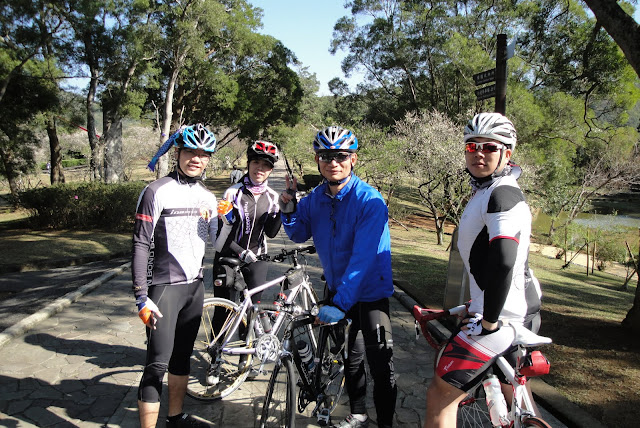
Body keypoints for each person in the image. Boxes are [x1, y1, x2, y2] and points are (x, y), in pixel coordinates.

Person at [279, 126, 397, 428]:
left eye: (341, 156)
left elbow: (364, 258)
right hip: (337, 291)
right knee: (350, 357)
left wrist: (340, 303)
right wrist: (289, 209)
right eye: (325, 156)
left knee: (380, 365)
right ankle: (358, 413)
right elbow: (298, 233)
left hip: (369, 294)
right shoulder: (315, 198)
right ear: (317, 160)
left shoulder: (369, 200)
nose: (333, 162)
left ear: (353, 159)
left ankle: (385, 424)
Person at [423, 112, 532, 427]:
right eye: (472, 147)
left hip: (500, 317)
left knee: (440, 397)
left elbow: (504, 260)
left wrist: (488, 321)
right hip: (513, 308)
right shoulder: (488, 190)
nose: (479, 154)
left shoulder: (502, 194)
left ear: (507, 153)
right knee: (516, 403)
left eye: (489, 147)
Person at [132, 124, 218, 428]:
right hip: (163, 290)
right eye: (191, 152)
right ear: (177, 153)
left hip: (194, 289)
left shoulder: (207, 197)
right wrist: (141, 296)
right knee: (156, 364)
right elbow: (140, 243)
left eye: (203, 154)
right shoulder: (156, 191)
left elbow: (217, 242)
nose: (196, 158)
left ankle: (175, 418)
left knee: (182, 358)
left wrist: (227, 218)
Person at [214, 140, 282, 306]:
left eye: (266, 165)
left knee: (253, 309)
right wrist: (240, 252)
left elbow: (271, 233)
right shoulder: (232, 192)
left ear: (271, 170)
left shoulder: (273, 197)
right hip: (228, 255)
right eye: (256, 162)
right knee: (224, 310)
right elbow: (221, 233)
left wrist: (284, 211)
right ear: (248, 164)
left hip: (257, 258)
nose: (260, 168)